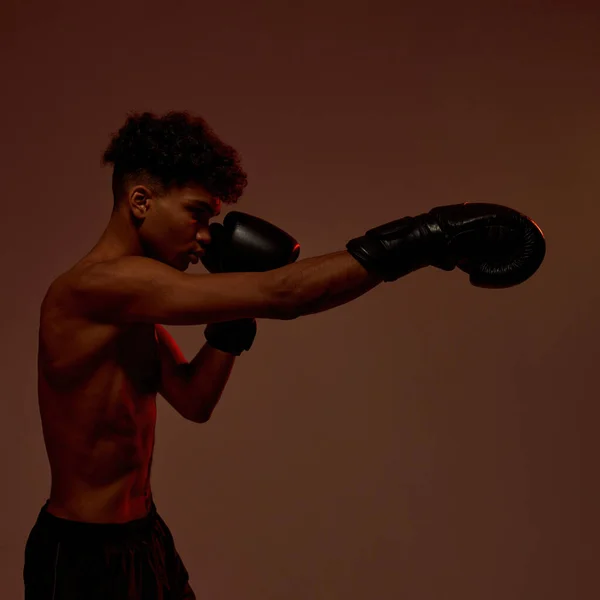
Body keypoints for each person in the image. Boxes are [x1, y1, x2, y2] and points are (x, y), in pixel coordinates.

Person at [23, 111, 546, 599]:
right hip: (84, 556)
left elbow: (193, 398)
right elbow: (285, 294)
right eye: (196, 214)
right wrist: (426, 238)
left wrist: (231, 322)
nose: (205, 237)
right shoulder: (99, 286)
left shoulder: (132, 305)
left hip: (144, 537)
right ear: (140, 201)